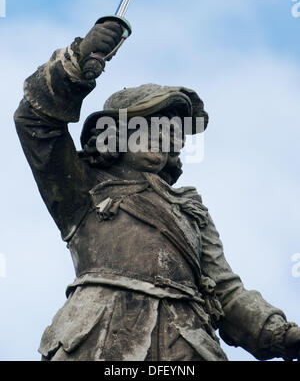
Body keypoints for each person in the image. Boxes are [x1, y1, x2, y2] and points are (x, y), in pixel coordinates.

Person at [14, 20, 300, 361]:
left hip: (186, 347)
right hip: (102, 341)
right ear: (116, 133)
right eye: (151, 124)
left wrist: (280, 335)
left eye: (173, 129)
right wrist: (77, 61)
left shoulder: (190, 211)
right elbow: (36, 122)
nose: (166, 135)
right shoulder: (83, 188)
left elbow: (226, 292)